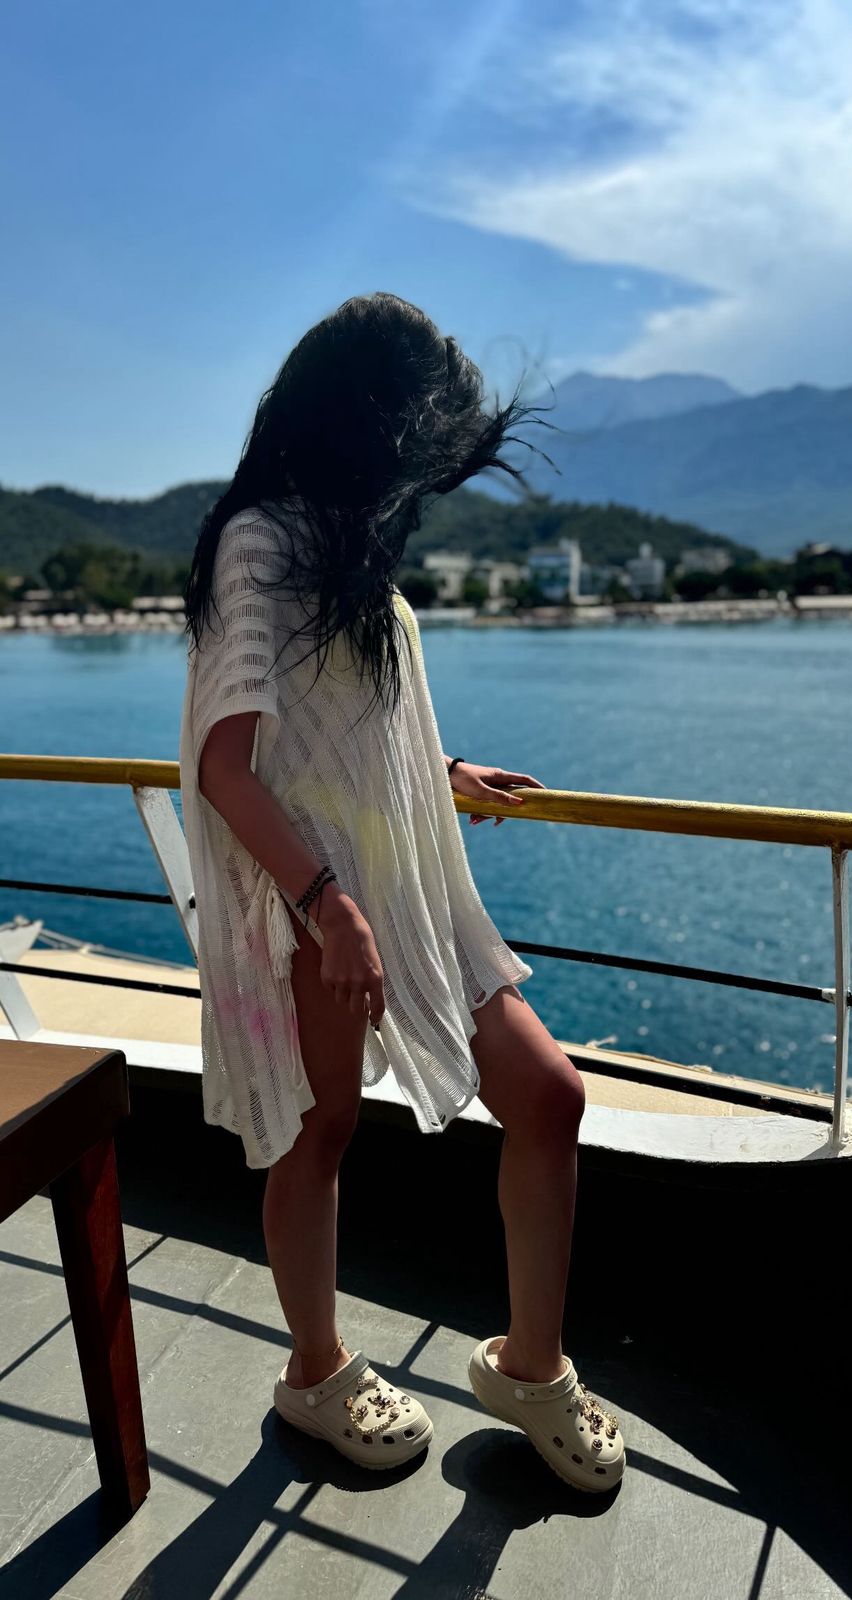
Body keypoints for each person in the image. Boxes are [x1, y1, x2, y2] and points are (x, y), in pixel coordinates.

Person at [179, 293, 624, 1493]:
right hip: (317, 903)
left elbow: (348, 723)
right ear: (369, 415)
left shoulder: (345, 543)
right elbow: (228, 763)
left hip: (407, 894)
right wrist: (328, 906)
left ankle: (529, 1368)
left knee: (549, 1097)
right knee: (318, 1134)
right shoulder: (260, 542)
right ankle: (314, 1371)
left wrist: (443, 766)